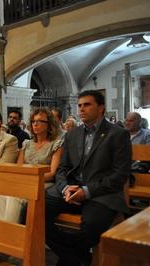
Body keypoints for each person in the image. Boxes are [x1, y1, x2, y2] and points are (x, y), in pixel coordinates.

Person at [45, 90, 131, 266]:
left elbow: (119, 176)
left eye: (87, 105)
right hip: (71, 190)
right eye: (79, 105)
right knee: (33, 211)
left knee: (91, 226)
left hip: (101, 193)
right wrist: (64, 188)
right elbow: (62, 168)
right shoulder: (72, 134)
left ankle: (70, 258)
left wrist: (86, 191)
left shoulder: (118, 134)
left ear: (101, 108)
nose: (81, 109)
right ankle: (78, 258)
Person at [0, 107, 62, 223]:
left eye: (39, 121)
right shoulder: (27, 144)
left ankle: (13, 236)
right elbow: (20, 168)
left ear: (49, 124)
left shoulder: (56, 144)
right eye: (33, 121)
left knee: (15, 196)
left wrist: (31, 179)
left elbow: (52, 174)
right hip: (25, 181)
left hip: (44, 183)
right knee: (0, 192)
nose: (35, 124)